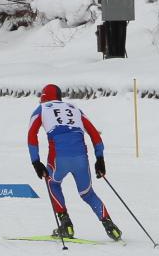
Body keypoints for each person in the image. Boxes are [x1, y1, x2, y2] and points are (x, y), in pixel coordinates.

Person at [27, 84, 122, 241]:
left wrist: (35, 161)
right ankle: (110, 226)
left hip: (59, 158)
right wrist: (100, 159)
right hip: (81, 158)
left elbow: (32, 135)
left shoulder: (41, 108)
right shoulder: (75, 108)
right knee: (87, 193)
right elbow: (94, 133)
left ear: (43, 97)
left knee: (53, 183)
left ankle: (66, 224)